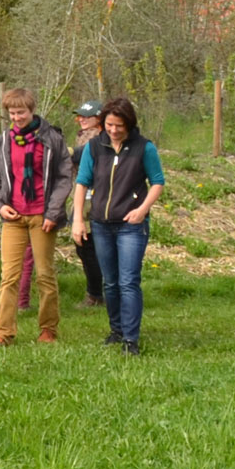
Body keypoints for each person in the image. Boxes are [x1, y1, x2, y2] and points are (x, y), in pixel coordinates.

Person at [71, 97, 165, 355]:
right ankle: (117, 330)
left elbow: (157, 182)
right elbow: (82, 183)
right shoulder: (94, 147)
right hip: (101, 224)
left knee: (128, 281)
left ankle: (131, 339)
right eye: (109, 125)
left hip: (131, 225)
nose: (113, 130)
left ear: (129, 124)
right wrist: (78, 219)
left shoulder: (144, 148)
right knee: (110, 282)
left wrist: (142, 210)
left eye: (119, 126)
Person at [0, 87, 70, 347]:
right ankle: (3, 332)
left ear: (32, 110)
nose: (16, 118)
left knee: (44, 274)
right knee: (9, 276)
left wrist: (53, 212)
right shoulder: (3, 141)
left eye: (21, 112)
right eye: (12, 113)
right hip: (13, 216)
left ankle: (48, 329)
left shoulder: (51, 138)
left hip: (42, 216)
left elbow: (64, 178)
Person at [67, 101, 107, 310]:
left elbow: (83, 153)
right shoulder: (83, 135)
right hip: (82, 198)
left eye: (86, 116)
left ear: (99, 118)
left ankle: (97, 294)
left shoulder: (103, 137)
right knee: (84, 247)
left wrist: (63, 151)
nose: (81, 119)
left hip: (99, 200)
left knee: (93, 247)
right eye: (79, 116)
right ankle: (96, 292)